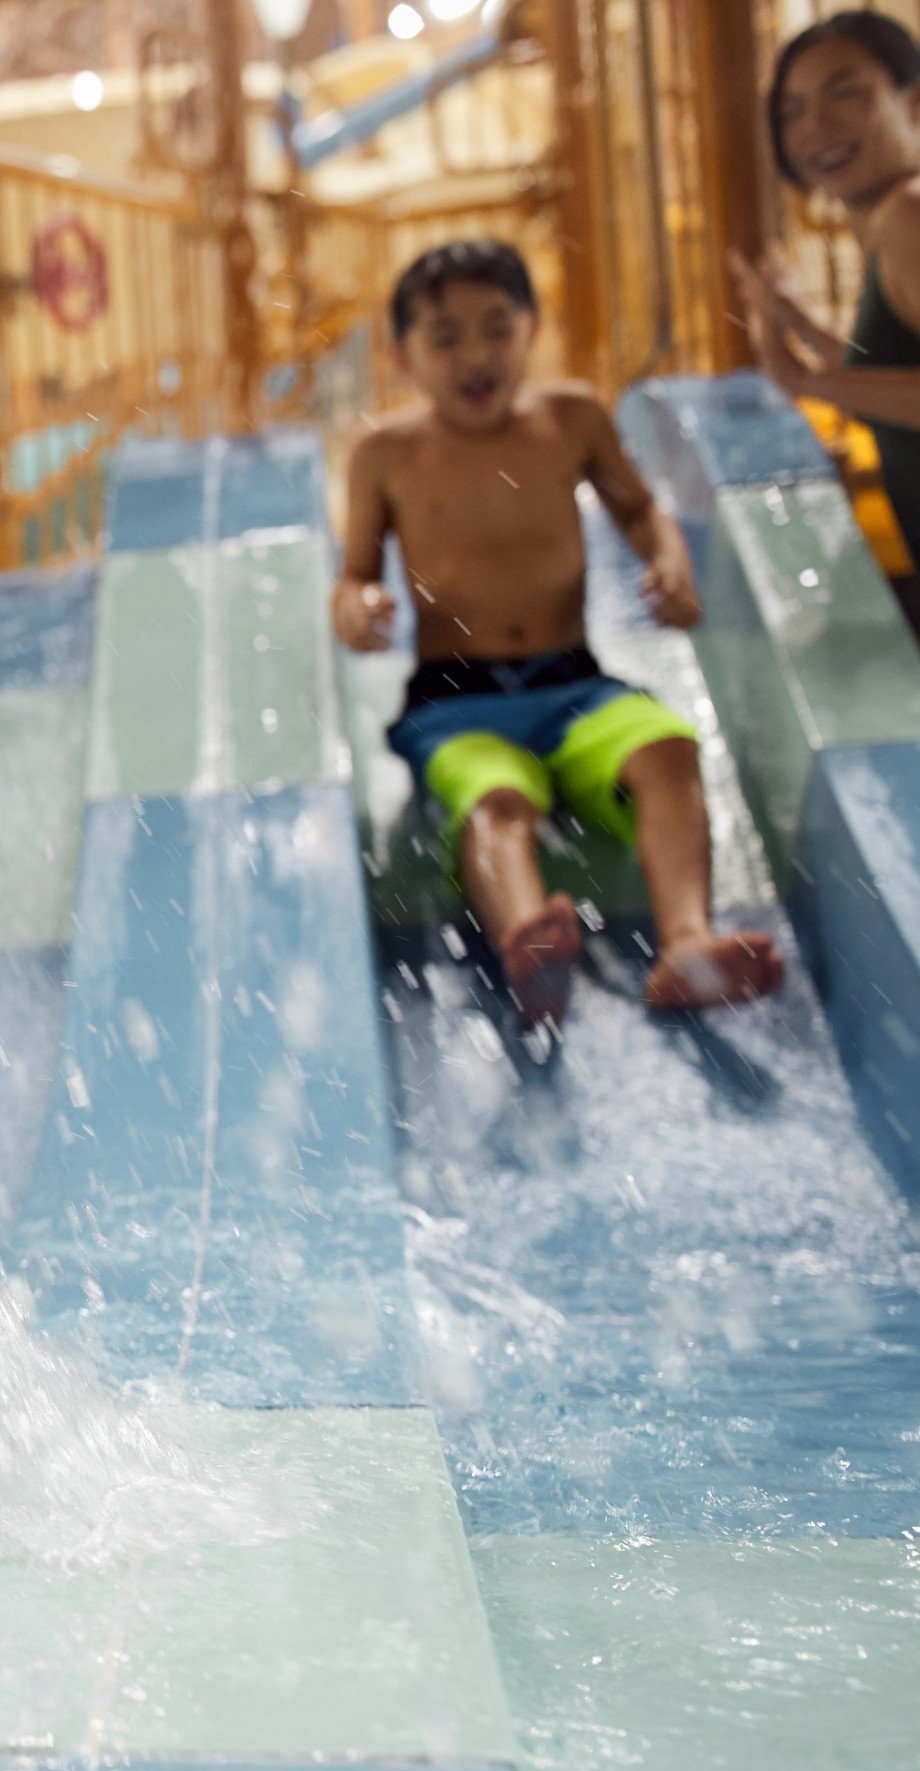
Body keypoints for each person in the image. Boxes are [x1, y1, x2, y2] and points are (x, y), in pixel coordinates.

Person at [333, 239, 783, 1027]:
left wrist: (670, 562)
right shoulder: (385, 454)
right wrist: (359, 609)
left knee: (668, 750)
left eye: (497, 328)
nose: (476, 355)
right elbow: (355, 572)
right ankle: (526, 941)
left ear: (532, 329)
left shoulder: (572, 419)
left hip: (573, 683)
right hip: (455, 700)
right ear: (402, 356)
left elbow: (639, 510)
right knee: (495, 803)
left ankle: (687, 942)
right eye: (445, 338)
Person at [733, 10, 920, 631]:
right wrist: (805, 329)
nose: (816, 127)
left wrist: (804, 379)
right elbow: (896, 376)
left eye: (845, 94)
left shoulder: (908, 215)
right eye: (792, 112)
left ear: (913, 103)